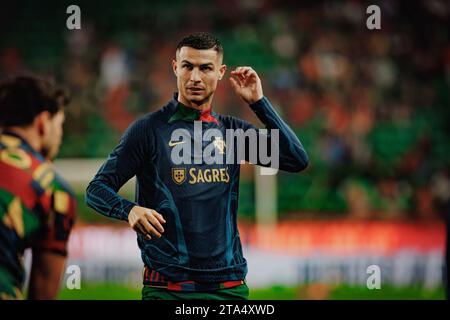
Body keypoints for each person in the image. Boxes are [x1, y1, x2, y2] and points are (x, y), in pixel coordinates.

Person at [86, 32, 308, 300]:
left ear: (221, 72)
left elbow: (296, 158)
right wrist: (130, 210)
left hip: (229, 288)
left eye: (205, 68)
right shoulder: (148, 130)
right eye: (187, 66)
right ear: (174, 67)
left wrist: (259, 103)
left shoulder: (232, 133)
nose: (194, 77)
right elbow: (96, 189)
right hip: (167, 290)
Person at [0, 75, 76, 300]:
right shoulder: (54, 190)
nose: (60, 135)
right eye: (60, 125)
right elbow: (42, 293)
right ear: (43, 122)